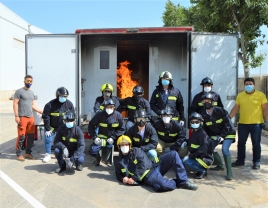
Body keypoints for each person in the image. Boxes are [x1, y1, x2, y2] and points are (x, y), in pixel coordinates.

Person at [115, 135, 198, 192]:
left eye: (126, 144)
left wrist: (133, 178)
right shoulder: (119, 162)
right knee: (164, 186)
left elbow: (143, 164)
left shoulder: (136, 151)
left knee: (173, 154)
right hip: (148, 175)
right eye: (122, 145)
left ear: (130, 145)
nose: (124, 146)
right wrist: (123, 179)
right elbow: (118, 174)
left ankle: (183, 181)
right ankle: (178, 182)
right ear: (119, 146)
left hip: (154, 165)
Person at [229, 77, 268, 170]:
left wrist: (267, 120)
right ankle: (240, 160)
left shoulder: (260, 95)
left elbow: (265, 108)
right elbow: (236, 108)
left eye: (250, 84)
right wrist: (229, 118)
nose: (248, 86)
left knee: (256, 143)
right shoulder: (240, 95)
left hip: (256, 124)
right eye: (246, 84)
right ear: (244, 85)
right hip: (243, 124)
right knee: (241, 143)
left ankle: (256, 162)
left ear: (254, 85)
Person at [200, 93, 236, 180]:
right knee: (208, 148)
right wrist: (206, 140)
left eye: (208, 101)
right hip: (216, 135)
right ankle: (220, 165)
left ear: (212, 102)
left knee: (224, 149)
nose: (206, 103)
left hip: (228, 133)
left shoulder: (220, 111)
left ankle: (229, 173)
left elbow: (228, 124)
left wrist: (222, 136)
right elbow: (205, 129)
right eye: (204, 101)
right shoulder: (203, 115)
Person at [13, 75, 43, 161]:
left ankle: (28, 153)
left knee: (30, 137)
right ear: (24, 81)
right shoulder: (19, 92)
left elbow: (33, 105)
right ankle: (18, 154)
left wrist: (40, 111)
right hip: (22, 117)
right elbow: (15, 104)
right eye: (27, 81)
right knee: (21, 136)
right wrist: (16, 116)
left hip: (31, 117)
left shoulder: (31, 93)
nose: (29, 82)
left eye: (30, 81)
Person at [88, 98, 125, 166]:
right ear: (104, 107)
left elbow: (122, 129)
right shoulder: (100, 115)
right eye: (107, 107)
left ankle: (118, 162)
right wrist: (94, 137)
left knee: (123, 148)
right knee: (92, 151)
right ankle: (98, 158)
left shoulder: (118, 115)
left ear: (114, 107)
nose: (109, 108)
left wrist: (114, 137)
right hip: (102, 137)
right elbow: (91, 126)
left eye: (111, 107)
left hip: (114, 138)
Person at [42, 87, 74, 163]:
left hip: (63, 128)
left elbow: (72, 115)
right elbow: (45, 116)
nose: (64, 98)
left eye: (65, 96)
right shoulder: (50, 104)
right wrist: (47, 128)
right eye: (62, 96)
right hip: (52, 127)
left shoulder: (69, 104)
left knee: (66, 141)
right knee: (48, 139)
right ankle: (47, 154)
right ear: (57, 95)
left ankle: (65, 153)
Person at [183, 112, 213, 179]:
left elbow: (203, 149)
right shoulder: (195, 131)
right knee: (183, 161)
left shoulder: (202, 134)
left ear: (201, 122)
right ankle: (199, 169)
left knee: (187, 162)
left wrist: (190, 156)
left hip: (204, 158)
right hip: (197, 157)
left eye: (196, 122)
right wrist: (186, 142)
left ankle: (202, 171)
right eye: (192, 122)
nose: (194, 124)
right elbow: (192, 142)